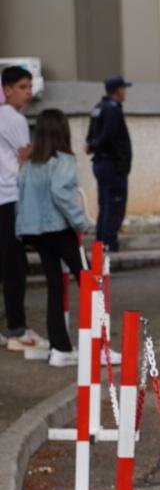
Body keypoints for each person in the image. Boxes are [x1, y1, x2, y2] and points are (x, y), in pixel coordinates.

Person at [16, 109, 88, 367]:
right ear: (62, 131)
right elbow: (62, 193)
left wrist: (22, 230)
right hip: (60, 230)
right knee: (91, 284)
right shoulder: (63, 160)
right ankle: (97, 347)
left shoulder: (29, 164)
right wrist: (82, 222)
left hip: (37, 234)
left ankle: (60, 348)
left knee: (55, 288)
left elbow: (20, 200)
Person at [0, 65, 44, 353]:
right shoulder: (13, 119)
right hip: (10, 197)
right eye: (23, 87)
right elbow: (26, 159)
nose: (29, 93)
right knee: (15, 267)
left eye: (30, 87)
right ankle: (18, 330)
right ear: (8, 90)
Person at [87, 75, 133, 253]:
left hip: (101, 163)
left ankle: (100, 245)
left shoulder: (98, 108)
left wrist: (92, 145)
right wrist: (97, 145)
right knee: (114, 207)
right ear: (118, 90)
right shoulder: (112, 109)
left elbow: (91, 136)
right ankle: (108, 246)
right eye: (124, 89)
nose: (125, 92)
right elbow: (109, 135)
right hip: (113, 165)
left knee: (105, 206)